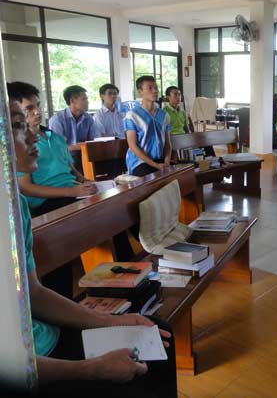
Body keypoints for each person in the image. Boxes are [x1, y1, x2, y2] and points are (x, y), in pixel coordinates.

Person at [3, 99, 177, 398]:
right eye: (19, 127)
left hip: (43, 336)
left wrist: (111, 321)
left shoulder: (13, 204)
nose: (33, 135)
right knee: (137, 370)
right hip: (31, 365)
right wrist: (90, 369)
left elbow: (33, 293)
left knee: (156, 332)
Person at [10, 82, 96, 217]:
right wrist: (71, 191)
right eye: (29, 108)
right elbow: (25, 187)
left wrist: (87, 182)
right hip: (47, 201)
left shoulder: (55, 137)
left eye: (38, 105)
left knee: (110, 199)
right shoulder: (20, 145)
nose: (37, 112)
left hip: (73, 191)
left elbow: (72, 170)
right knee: (95, 212)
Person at [125, 76, 172, 177]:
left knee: (179, 177)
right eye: (150, 88)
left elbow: (168, 143)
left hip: (159, 160)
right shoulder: (132, 115)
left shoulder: (164, 115)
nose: (155, 91)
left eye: (156, 87)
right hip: (140, 162)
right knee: (153, 178)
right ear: (140, 92)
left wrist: (167, 161)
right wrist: (155, 165)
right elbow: (133, 145)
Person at [48, 85, 100, 172]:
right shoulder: (57, 120)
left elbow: (94, 140)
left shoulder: (88, 118)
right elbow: (57, 148)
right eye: (84, 99)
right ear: (72, 101)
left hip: (83, 156)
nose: (88, 102)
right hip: (64, 158)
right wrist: (81, 146)